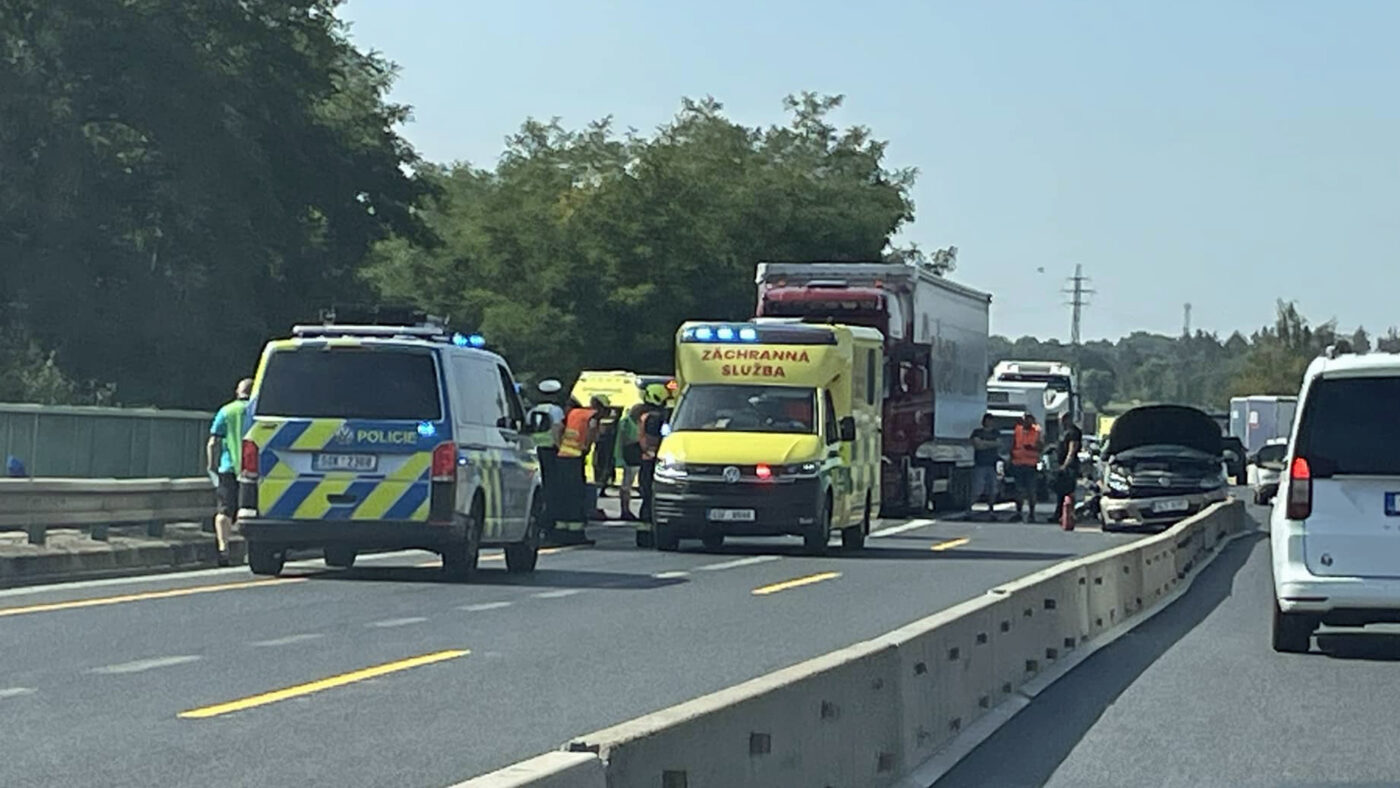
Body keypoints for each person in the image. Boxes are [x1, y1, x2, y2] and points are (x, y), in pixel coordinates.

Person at [208, 378, 252, 566]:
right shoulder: (257, 410)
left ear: (237, 392)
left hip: (227, 467)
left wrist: (211, 466)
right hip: (252, 468)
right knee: (251, 511)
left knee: (224, 511)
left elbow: (213, 442)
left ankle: (223, 548)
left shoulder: (226, 411)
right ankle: (249, 551)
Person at [552, 395, 607, 545]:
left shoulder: (574, 413)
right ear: (600, 408)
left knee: (563, 494)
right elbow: (590, 433)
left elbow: (557, 428)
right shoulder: (593, 417)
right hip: (575, 459)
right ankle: (576, 534)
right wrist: (586, 447)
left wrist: (559, 445)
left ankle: (560, 531)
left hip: (562, 456)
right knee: (576, 495)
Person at [634, 383, 669, 547]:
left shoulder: (644, 416)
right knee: (652, 497)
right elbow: (655, 439)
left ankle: (644, 534)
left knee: (646, 497)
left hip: (646, 459)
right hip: (655, 461)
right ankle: (649, 533)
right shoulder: (656, 418)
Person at [1010, 412, 1043, 524]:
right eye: (1025, 419)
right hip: (1018, 464)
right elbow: (1013, 444)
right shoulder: (1017, 430)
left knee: (1031, 491)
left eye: (1029, 419)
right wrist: (1010, 459)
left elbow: (1041, 446)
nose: (1026, 421)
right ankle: (1018, 513)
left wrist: (1033, 447)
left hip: (1030, 464)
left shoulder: (1036, 431)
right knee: (1018, 490)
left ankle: (1031, 514)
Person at [615, 403, 644, 521]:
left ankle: (626, 510)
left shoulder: (629, 422)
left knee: (628, 485)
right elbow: (624, 439)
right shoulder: (626, 423)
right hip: (631, 454)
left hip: (633, 455)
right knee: (627, 485)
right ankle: (625, 510)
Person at [1052, 413, 1084, 524]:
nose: (1062, 421)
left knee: (1068, 491)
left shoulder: (1073, 432)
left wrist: (1065, 465)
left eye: (1064, 419)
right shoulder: (1064, 432)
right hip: (1062, 465)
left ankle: (1068, 515)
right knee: (1060, 491)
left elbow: (1072, 449)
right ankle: (1059, 514)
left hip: (1069, 467)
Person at [969, 413, 1001, 520]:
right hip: (980, 464)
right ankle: (969, 509)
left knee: (993, 489)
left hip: (992, 465)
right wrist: (990, 444)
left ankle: (991, 509)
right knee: (977, 489)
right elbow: (977, 445)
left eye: (990, 421)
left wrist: (984, 443)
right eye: (987, 420)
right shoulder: (977, 432)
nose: (989, 422)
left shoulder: (996, 432)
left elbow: (998, 443)